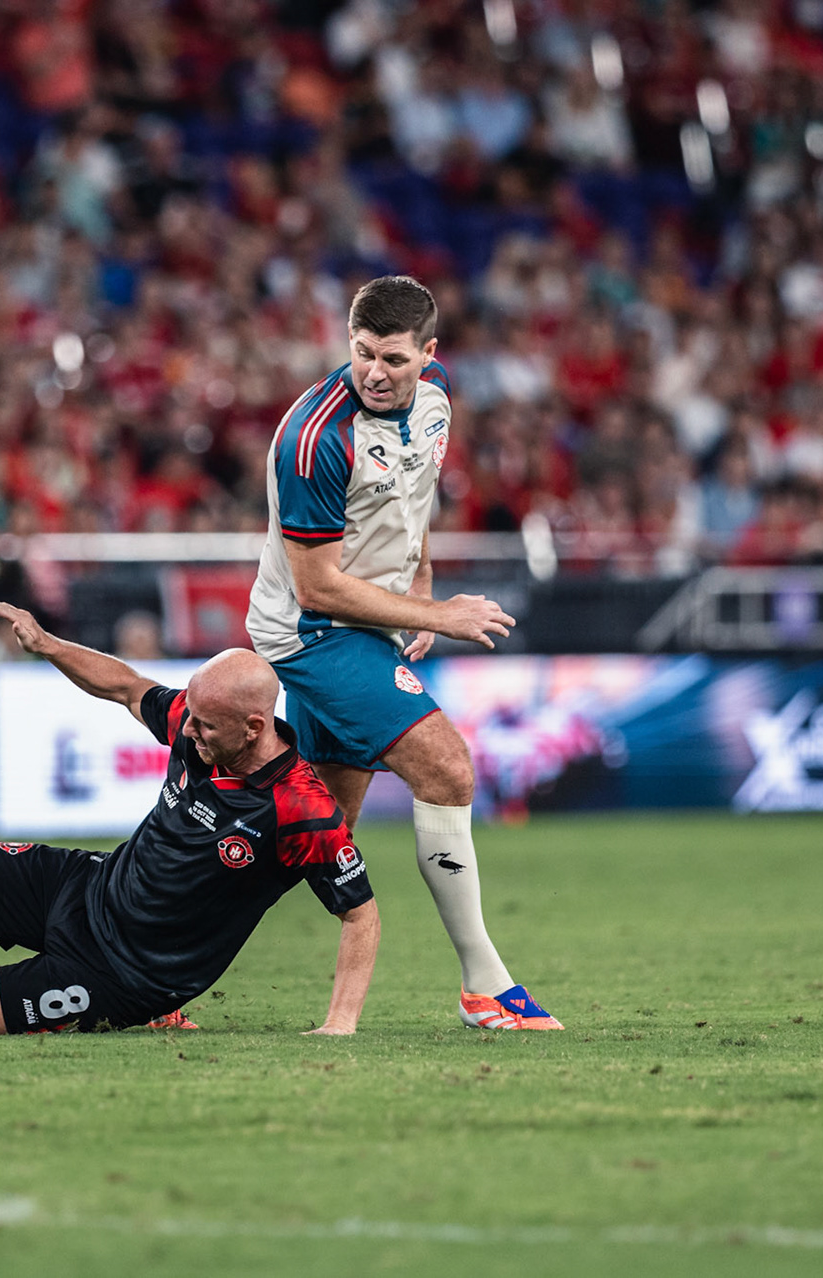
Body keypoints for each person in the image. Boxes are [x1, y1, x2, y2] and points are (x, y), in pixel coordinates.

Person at [0, 598, 380, 1036]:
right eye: (192, 718)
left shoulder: (302, 808)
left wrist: (341, 1022)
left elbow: (360, 915)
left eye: (204, 726)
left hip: (124, 976)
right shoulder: (197, 719)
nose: (186, 731)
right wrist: (47, 644)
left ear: (254, 728)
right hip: (87, 886)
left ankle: (147, 1015)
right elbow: (125, 687)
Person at [246, 274, 562, 1031]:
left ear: (429, 354)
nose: (376, 374)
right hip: (311, 635)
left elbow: (416, 489)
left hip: (369, 622)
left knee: (314, 835)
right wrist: (437, 613)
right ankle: (485, 985)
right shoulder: (315, 438)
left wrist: (419, 569)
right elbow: (318, 588)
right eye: (362, 355)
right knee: (448, 766)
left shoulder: (437, 395)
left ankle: (150, 968)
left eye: (393, 358)